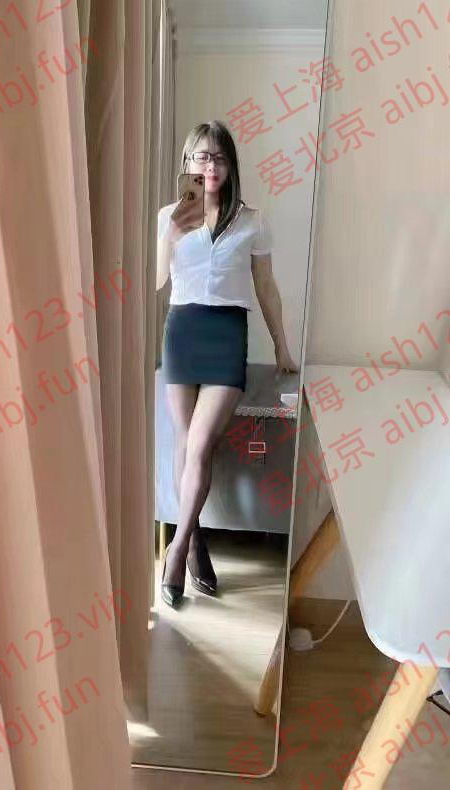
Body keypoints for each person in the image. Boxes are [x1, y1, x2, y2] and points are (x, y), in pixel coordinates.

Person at [156, 120, 298, 609]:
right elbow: (156, 281)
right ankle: (195, 540)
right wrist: (171, 235)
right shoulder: (169, 217)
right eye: (201, 156)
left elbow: (266, 287)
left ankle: (176, 550)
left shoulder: (253, 221)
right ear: (187, 163)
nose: (209, 165)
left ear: (231, 165)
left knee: (200, 444)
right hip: (182, 332)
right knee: (184, 442)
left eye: (218, 157)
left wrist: (281, 346)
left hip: (226, 335)